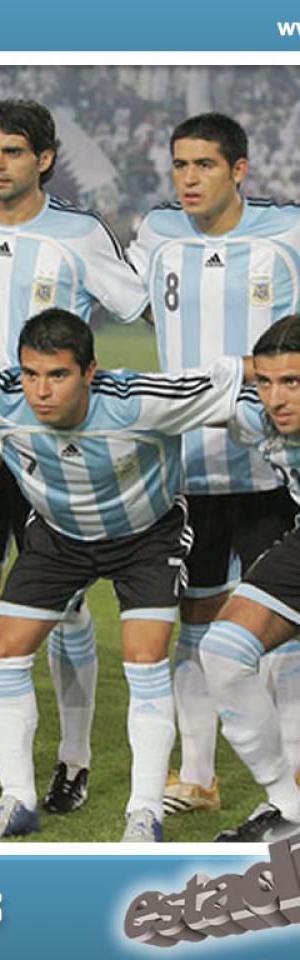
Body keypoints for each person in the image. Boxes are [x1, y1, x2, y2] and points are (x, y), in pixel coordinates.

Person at [0, 308, 244, 841]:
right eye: (31, 374)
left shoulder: (144, 401)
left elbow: (237, 373)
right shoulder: (0, 396)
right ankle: (18, 801)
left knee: (144, 657)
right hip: (59, 538)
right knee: (7, 650)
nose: (41, 391)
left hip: (146, 537)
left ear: (90, 372)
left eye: (58, 375)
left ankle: (144, 813)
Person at [0, 99, 149, 813]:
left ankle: (74, 757)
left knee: (63, 606)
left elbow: (134, 303)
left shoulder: (78, 234)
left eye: (13, 152)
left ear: (45, 159)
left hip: (51, 447)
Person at [127, 112, 300, 816]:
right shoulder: (157, 234)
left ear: (239, 170)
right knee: (194, 617)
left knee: (279, 628)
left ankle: (292, 779)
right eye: (180, 165)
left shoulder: (288, 233)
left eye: (204, 165)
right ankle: (197, 776)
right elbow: (128, 302)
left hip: (270, 467)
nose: (189, 179)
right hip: (188, 467)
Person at [200, 314, 300, 841]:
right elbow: (192, 391)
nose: (276, 399)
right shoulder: (257, 417)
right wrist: (232, 368)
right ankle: (288, 806)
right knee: (223, 652)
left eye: (292, 382)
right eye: (265, 382)